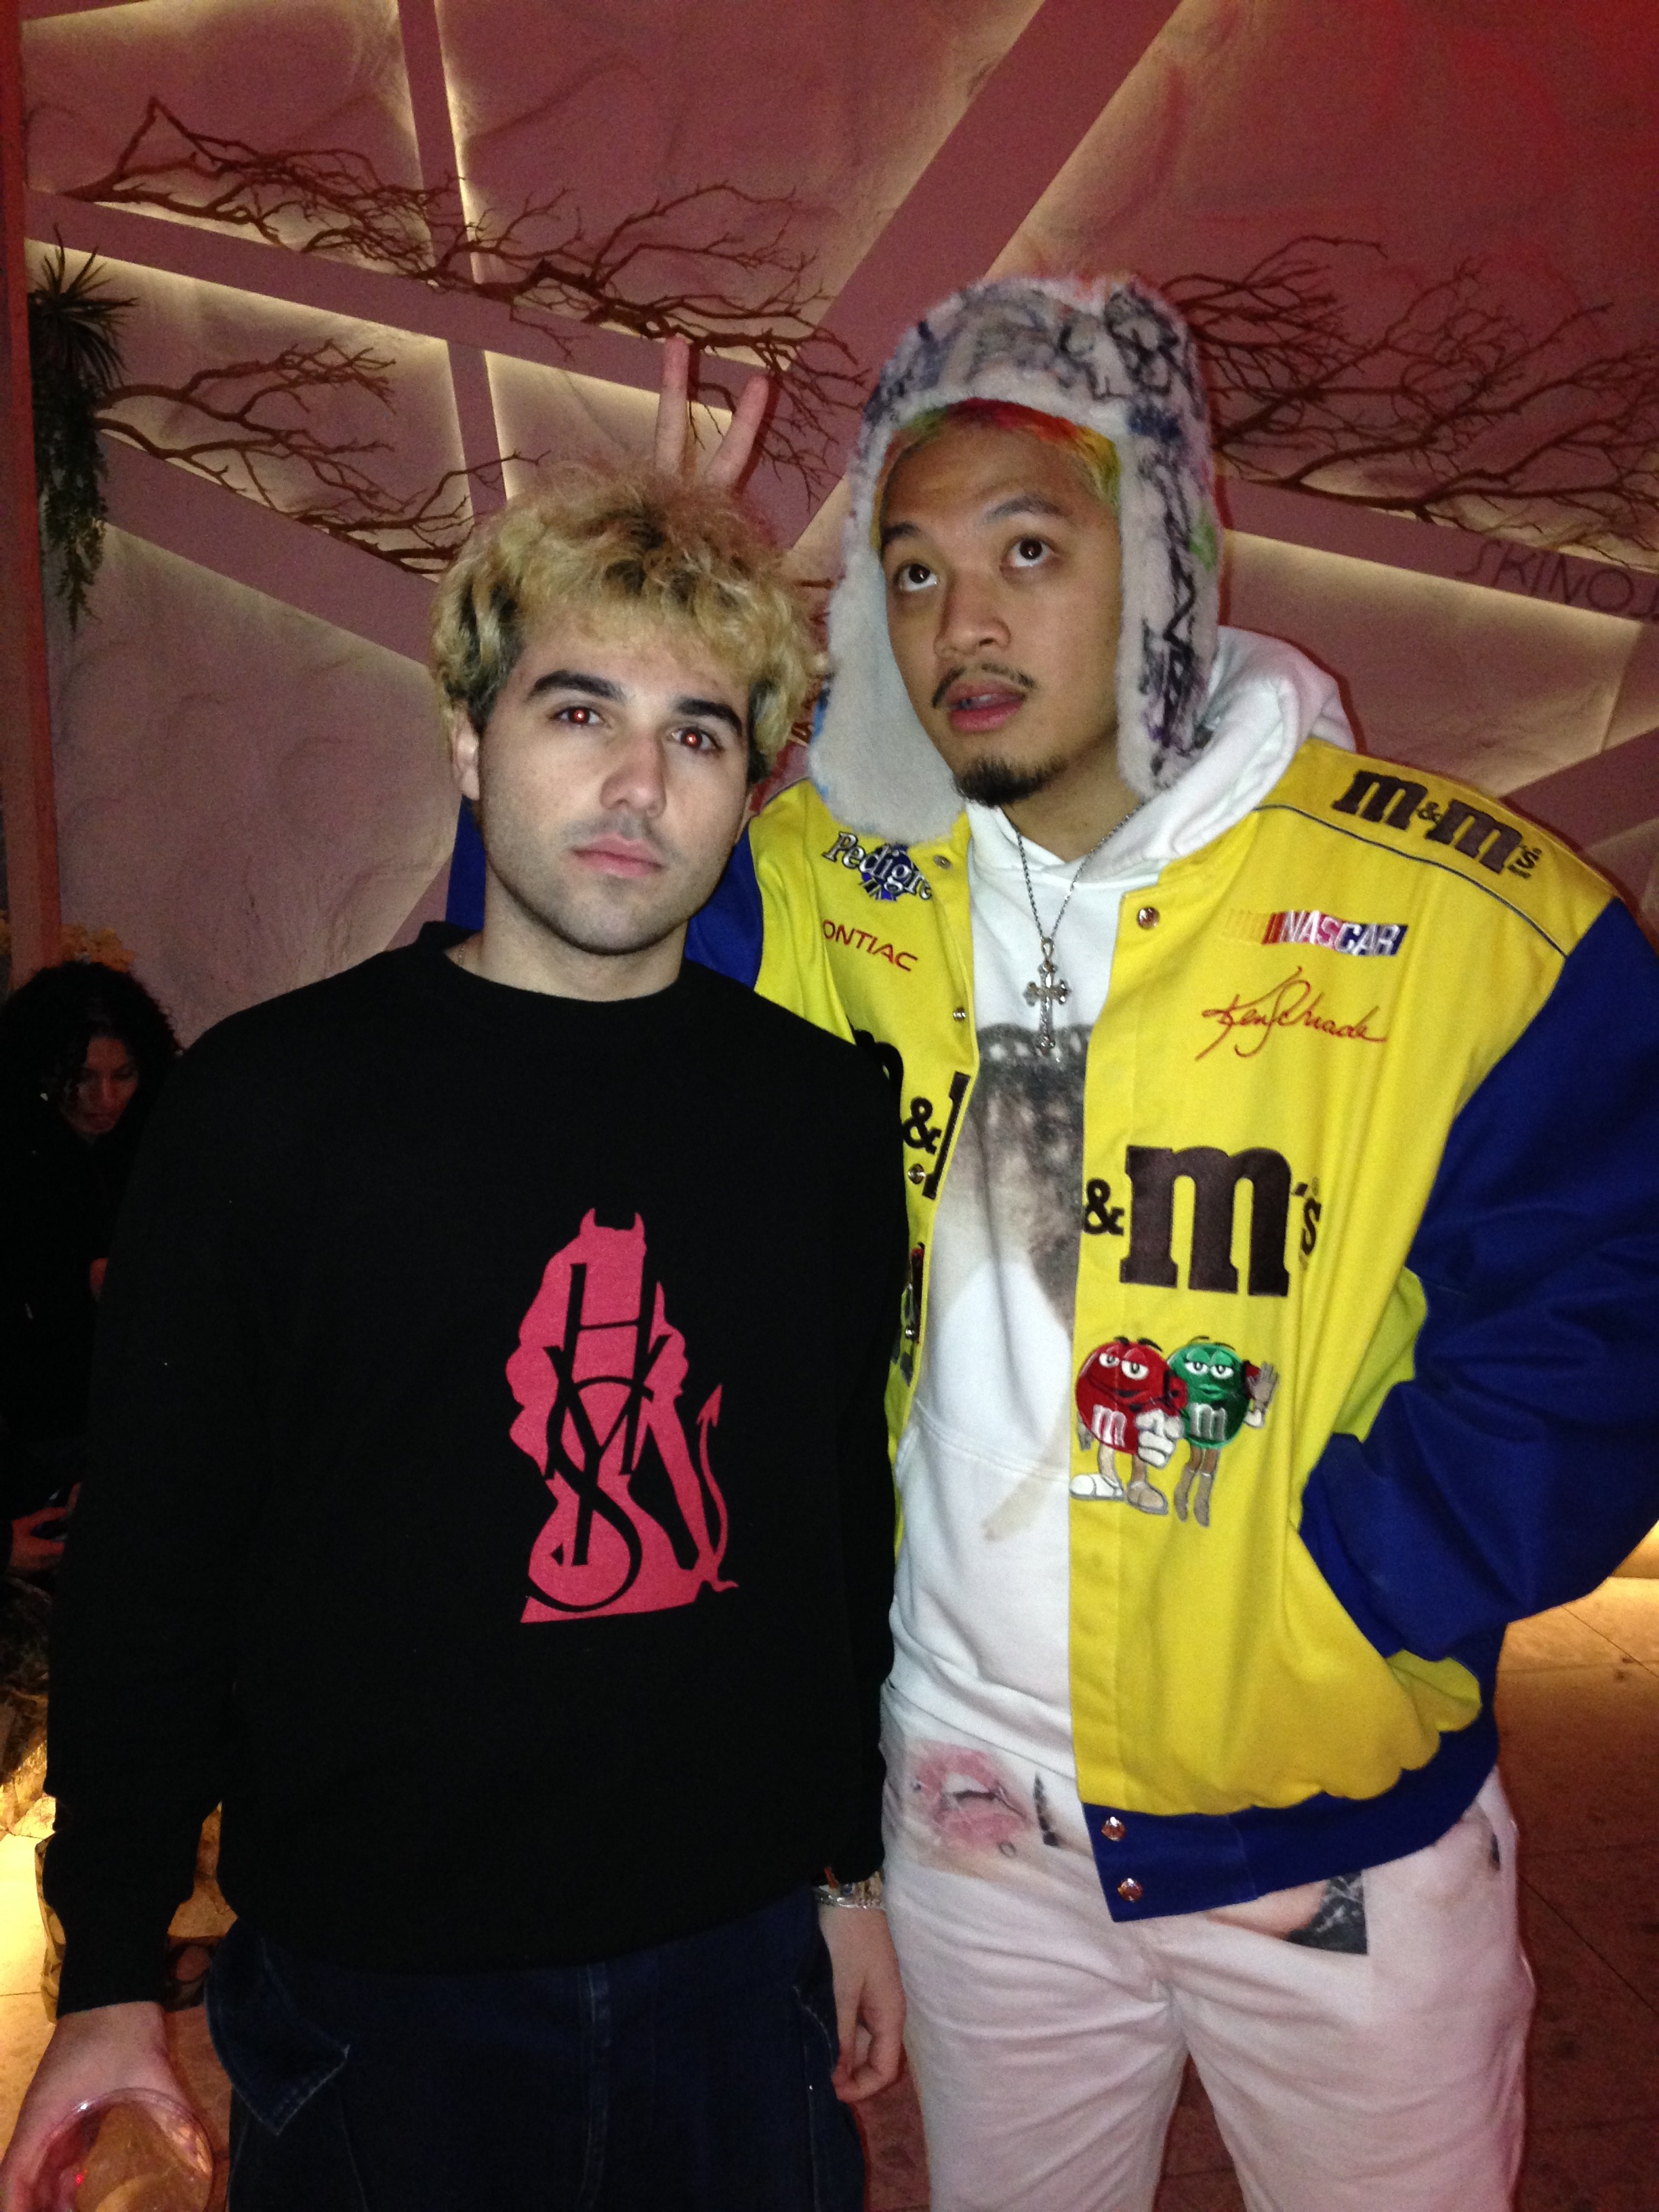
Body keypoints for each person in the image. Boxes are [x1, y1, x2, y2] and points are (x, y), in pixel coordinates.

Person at [684, 276, 1659, 2210]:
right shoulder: (831, 883)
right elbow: (566, 945)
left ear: (1171, 548)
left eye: (1027, 549)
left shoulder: (1469, 923)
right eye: (910, 568)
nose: (960, 622)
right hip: (965, 1818)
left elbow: (1602, 1317)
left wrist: (1362, 1582)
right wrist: (627, 666)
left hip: (1326, 1842)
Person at [1, 399, 907, 2212]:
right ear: (471, 738)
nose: (638, 786)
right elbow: (155, 1560)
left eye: (697, 733)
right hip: (377, 1985)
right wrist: (108, 1963)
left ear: (750, 782)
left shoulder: (815, 1117)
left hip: (733, 1962)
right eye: (580, 712)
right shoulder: (265, 1112)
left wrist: (849, 1871)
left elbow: (826, 1528)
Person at [0, 961, 178, 1575]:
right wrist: (82, 1284)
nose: (105, 1100)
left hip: (132, 1409)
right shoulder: (16, 1150)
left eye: (123, 1074)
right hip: (39, 1423)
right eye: (81, 1077)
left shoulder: (158, 1138)